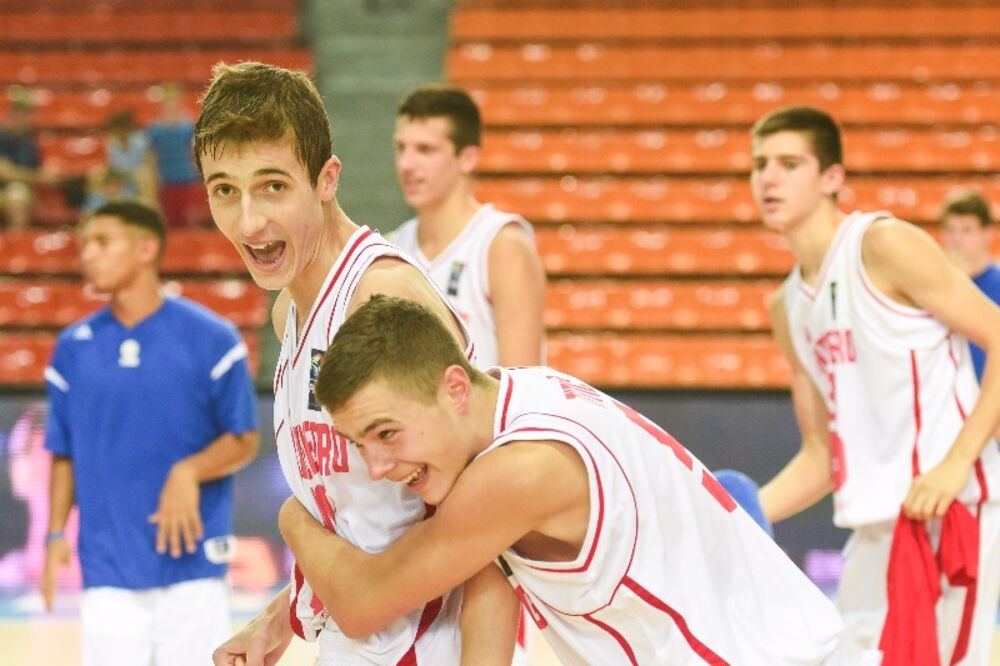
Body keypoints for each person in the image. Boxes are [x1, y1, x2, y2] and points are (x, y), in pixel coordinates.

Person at [274, 294, 844, 664]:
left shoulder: (517, 472)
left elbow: (363, 601)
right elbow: (488, 578)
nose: (376, 468)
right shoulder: (525, 393)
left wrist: (294, 513)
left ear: (453, 387)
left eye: (386, 434)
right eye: (358, 445)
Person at [194, 61, 519, 665]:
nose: (249, 222)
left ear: (326, 179)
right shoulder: (288, 312)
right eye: (224, 190)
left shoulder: (380, 298)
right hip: (355, 642)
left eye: (273, 185)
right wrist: (278, 621)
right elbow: (364, 528)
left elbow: (491, 534)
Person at [751, 106, 1000, 665]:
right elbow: (820, 457)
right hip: (873, 533)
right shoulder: (787, 305)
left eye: (789, 163)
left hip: (948, 517)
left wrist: (957, 461)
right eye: (760, 163)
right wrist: (737, 511)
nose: (767, 178)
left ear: (832, 178)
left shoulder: (881, 244)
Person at [41, 200, 259, 666]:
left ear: (146, 248)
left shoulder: (213, 339)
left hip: (193, 568)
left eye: (102, 242)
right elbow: (63, 453)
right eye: (84, 245)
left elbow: (244, 438)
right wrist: (55, 534)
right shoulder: (72, 349)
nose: (87, 256)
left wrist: (189, 471)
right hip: (107, 570)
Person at [390, 83, 546, 368]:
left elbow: (523, 385)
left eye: (425, 149)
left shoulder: (502, 245)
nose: (406, 164)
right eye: (401, 147)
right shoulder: (392, 248)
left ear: (468, 158)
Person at [939, 189, 1000, 382]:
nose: (956, 239)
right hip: (947, 399)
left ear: (987, 233)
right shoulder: (933, 286)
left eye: (966, 230)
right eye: (951, 230)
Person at [147, 84, 206, 227]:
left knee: (188, 219)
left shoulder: (188, 125)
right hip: (165, 178)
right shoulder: (154, 128)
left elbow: (195, 152)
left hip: (186, 176)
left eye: (173, 102)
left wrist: (199, 173)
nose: (170, 106)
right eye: (166, 103)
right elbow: (151, 156)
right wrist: (154, 178)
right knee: (169, 220)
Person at [0, 92, 42, 229]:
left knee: (18, 194)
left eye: (28, 113)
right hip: (4, 189)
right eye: (19, 113)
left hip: (19, 189)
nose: (25, 118)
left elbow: (36, 168)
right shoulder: (2, 137)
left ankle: (18, 245)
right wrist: (40, 178)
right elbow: (5, 172)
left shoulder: (27, 140)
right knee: (17, 194)